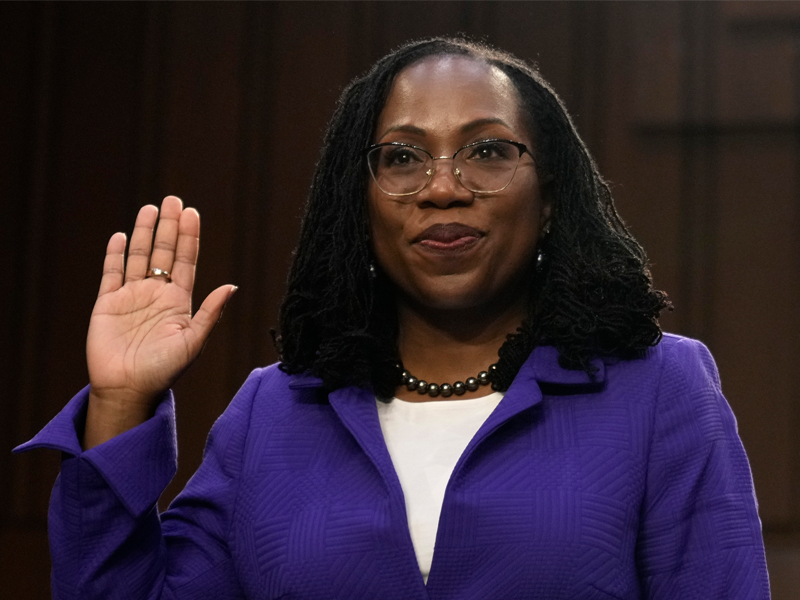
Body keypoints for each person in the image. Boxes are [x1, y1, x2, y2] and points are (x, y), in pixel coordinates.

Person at [16, 37, 769, 599]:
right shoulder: (271, 414)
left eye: (487, 150)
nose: (443, 187)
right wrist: (120, 403)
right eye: (403, 158)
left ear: (549, 202)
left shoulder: (659, 389)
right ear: (362, 206)